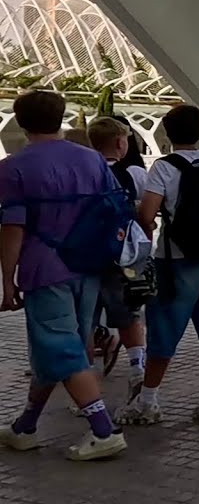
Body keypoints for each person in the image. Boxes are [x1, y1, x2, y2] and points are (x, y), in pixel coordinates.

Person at [0, 91, 127, 460]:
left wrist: (7, 281)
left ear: (21, 122)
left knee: (60, 347)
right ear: (61, 118)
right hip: (89, 264)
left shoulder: (13, 168)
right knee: (60, 346)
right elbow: (115, 209)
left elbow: (12, 229)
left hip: (45, 268)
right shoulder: (92, 159)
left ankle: (103, 430)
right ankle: (25, 427)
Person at [115, 104, 199, 425]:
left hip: (176, 260)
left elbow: (147, 215)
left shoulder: (163, 167)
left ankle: (147, 402)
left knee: (164, 327)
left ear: (167, 132)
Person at [87, 117, 149, 397]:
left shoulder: (84, 173)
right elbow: (145, 214)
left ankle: (87, 385)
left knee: (86, 320)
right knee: (129, 314)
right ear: (119, 143)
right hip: (123, 257)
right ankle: (137, 370)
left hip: (86, 256)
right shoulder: (132, 174)